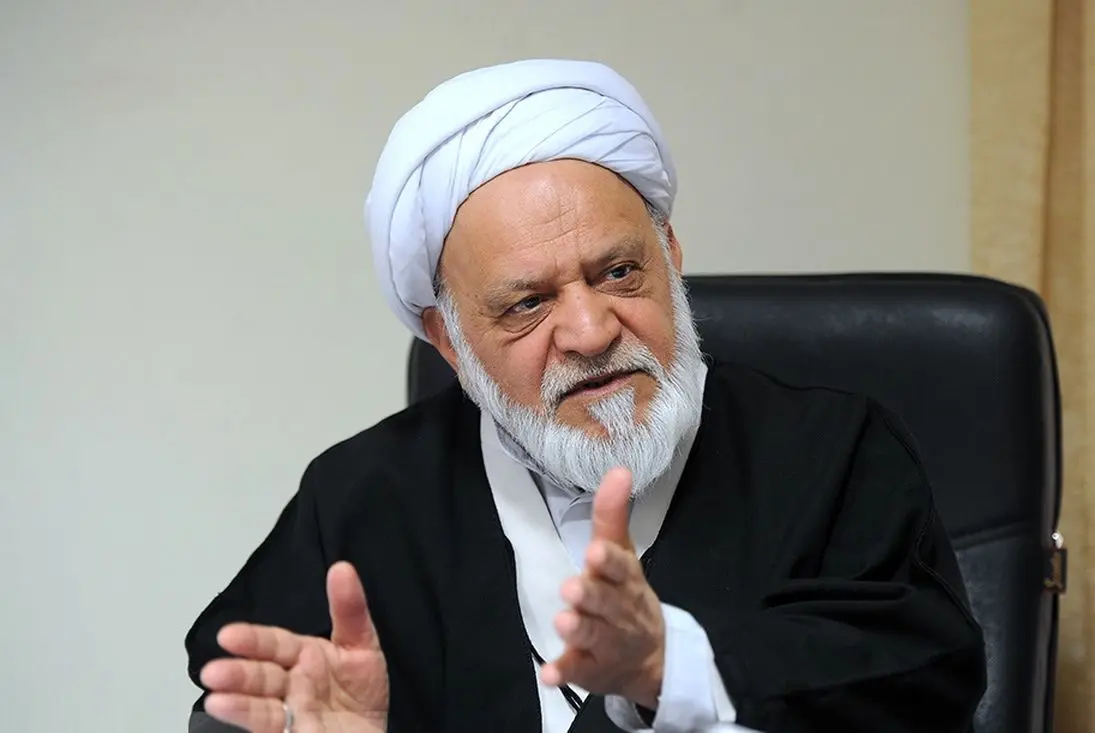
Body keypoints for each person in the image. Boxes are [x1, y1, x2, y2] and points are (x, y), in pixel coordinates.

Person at [185, 59, 987, 733]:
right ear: (449, 341)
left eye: (619, 272)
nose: (591, 330)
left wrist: (668, 667)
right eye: (527, 303)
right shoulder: (363, 499)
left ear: (671, 255)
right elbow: (244, 695)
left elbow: (926, 679)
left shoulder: (834, 452)